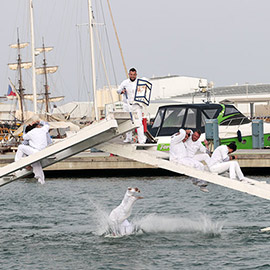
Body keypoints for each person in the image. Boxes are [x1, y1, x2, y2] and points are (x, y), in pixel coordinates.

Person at [117, 67, 146, 144]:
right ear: (129, 74)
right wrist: (122, 91)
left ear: (136, 75)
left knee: (139, 122)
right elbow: (118, 90)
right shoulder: (125, 82)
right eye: (131, 74)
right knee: (128, 122)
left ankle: (141, 140)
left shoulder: (140, 82)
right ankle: (128, 138)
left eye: (134, 75)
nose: (132, 76)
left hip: (136, 105)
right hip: (127, 104)